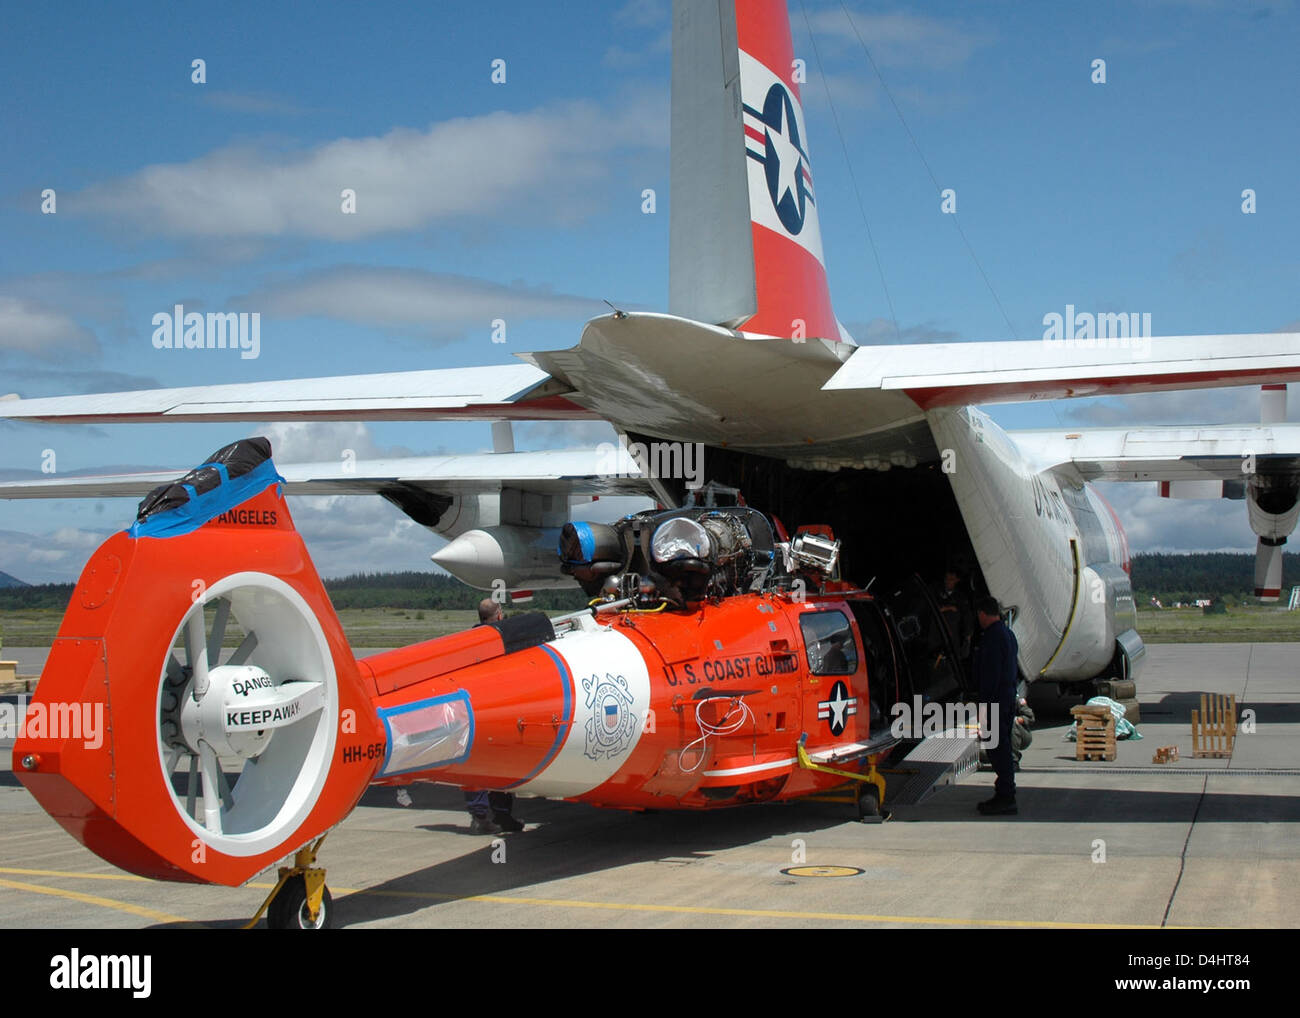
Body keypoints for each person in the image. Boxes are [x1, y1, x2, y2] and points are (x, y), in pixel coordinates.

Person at [463, 597, 525, 834]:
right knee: (503, 764)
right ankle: (502, 815)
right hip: (500, 711)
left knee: (476, 765)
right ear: (499, 615)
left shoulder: (466, 641)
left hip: (473, 711)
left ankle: (479, 816)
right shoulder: (503, 637)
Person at [970, 595, 1019, 816]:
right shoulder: (1008, 634)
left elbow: (989, 676)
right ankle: (1004, 793)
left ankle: (1007, 796)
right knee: (1003, 745)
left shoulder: (991, 638)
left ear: (982, 614)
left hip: (995, 702)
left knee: (997, 749)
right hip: (1007, 697)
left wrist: (983, 708)